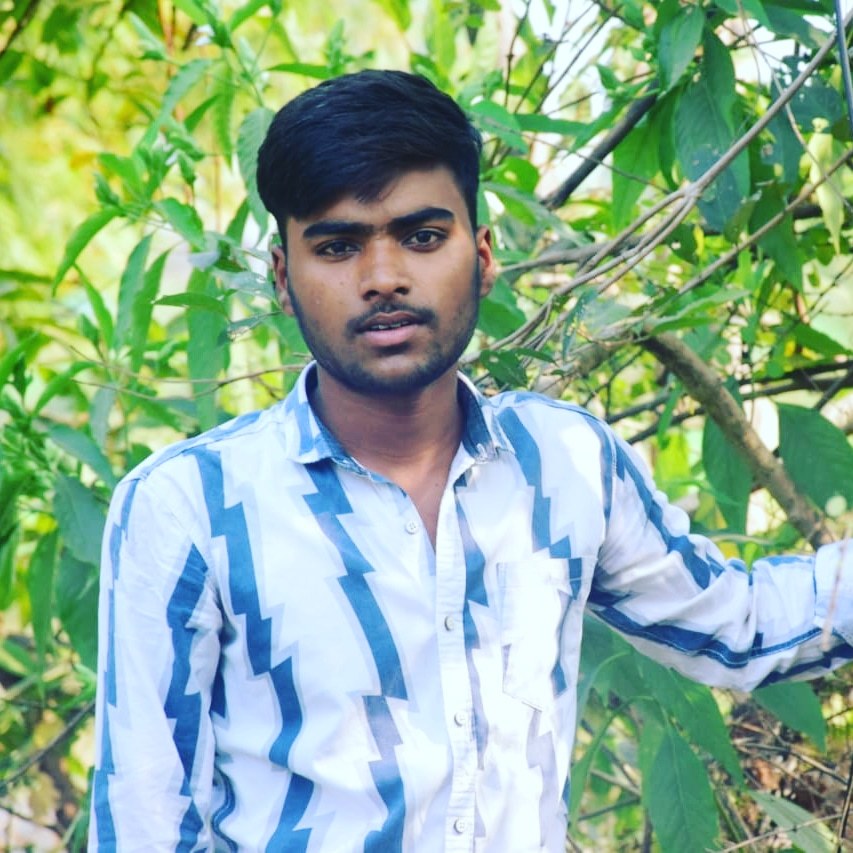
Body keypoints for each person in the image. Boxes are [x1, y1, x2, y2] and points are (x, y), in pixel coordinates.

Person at [89, 70, 853, 852]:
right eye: (337, 246)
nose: (382, 278)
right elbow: (147, 824)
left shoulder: (564, 462)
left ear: (482, 255)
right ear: (283, 279)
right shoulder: (190, 505)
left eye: (422, 237)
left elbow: (739, 625)